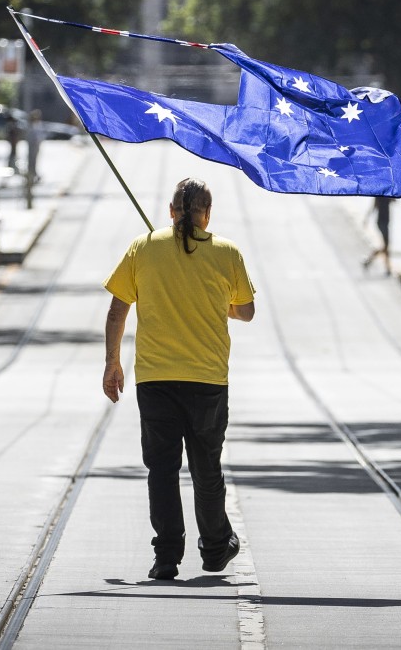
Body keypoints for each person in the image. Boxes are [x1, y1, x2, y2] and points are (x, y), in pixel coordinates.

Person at [103, 178, 256, 582]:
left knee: (162, 469)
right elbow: (246, 311)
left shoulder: (144, 247)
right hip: (207, 380)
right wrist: (214, 302)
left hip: (155, 380)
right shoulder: (227, 253)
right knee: (207, 467)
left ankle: (167, 556)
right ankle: (215, 547)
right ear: (208, 214)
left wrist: (112, 364)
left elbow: (118, 311)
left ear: (171, 211)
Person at [361, 196, 394, 275]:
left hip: (385, 222)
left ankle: (370, 261)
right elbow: (374, 207)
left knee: (385, 246)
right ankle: (387, 267)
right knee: (386, 246)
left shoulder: (387, 194)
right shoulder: (380, 196)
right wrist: (367, 218)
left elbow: (394, 200)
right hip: (382, 222)